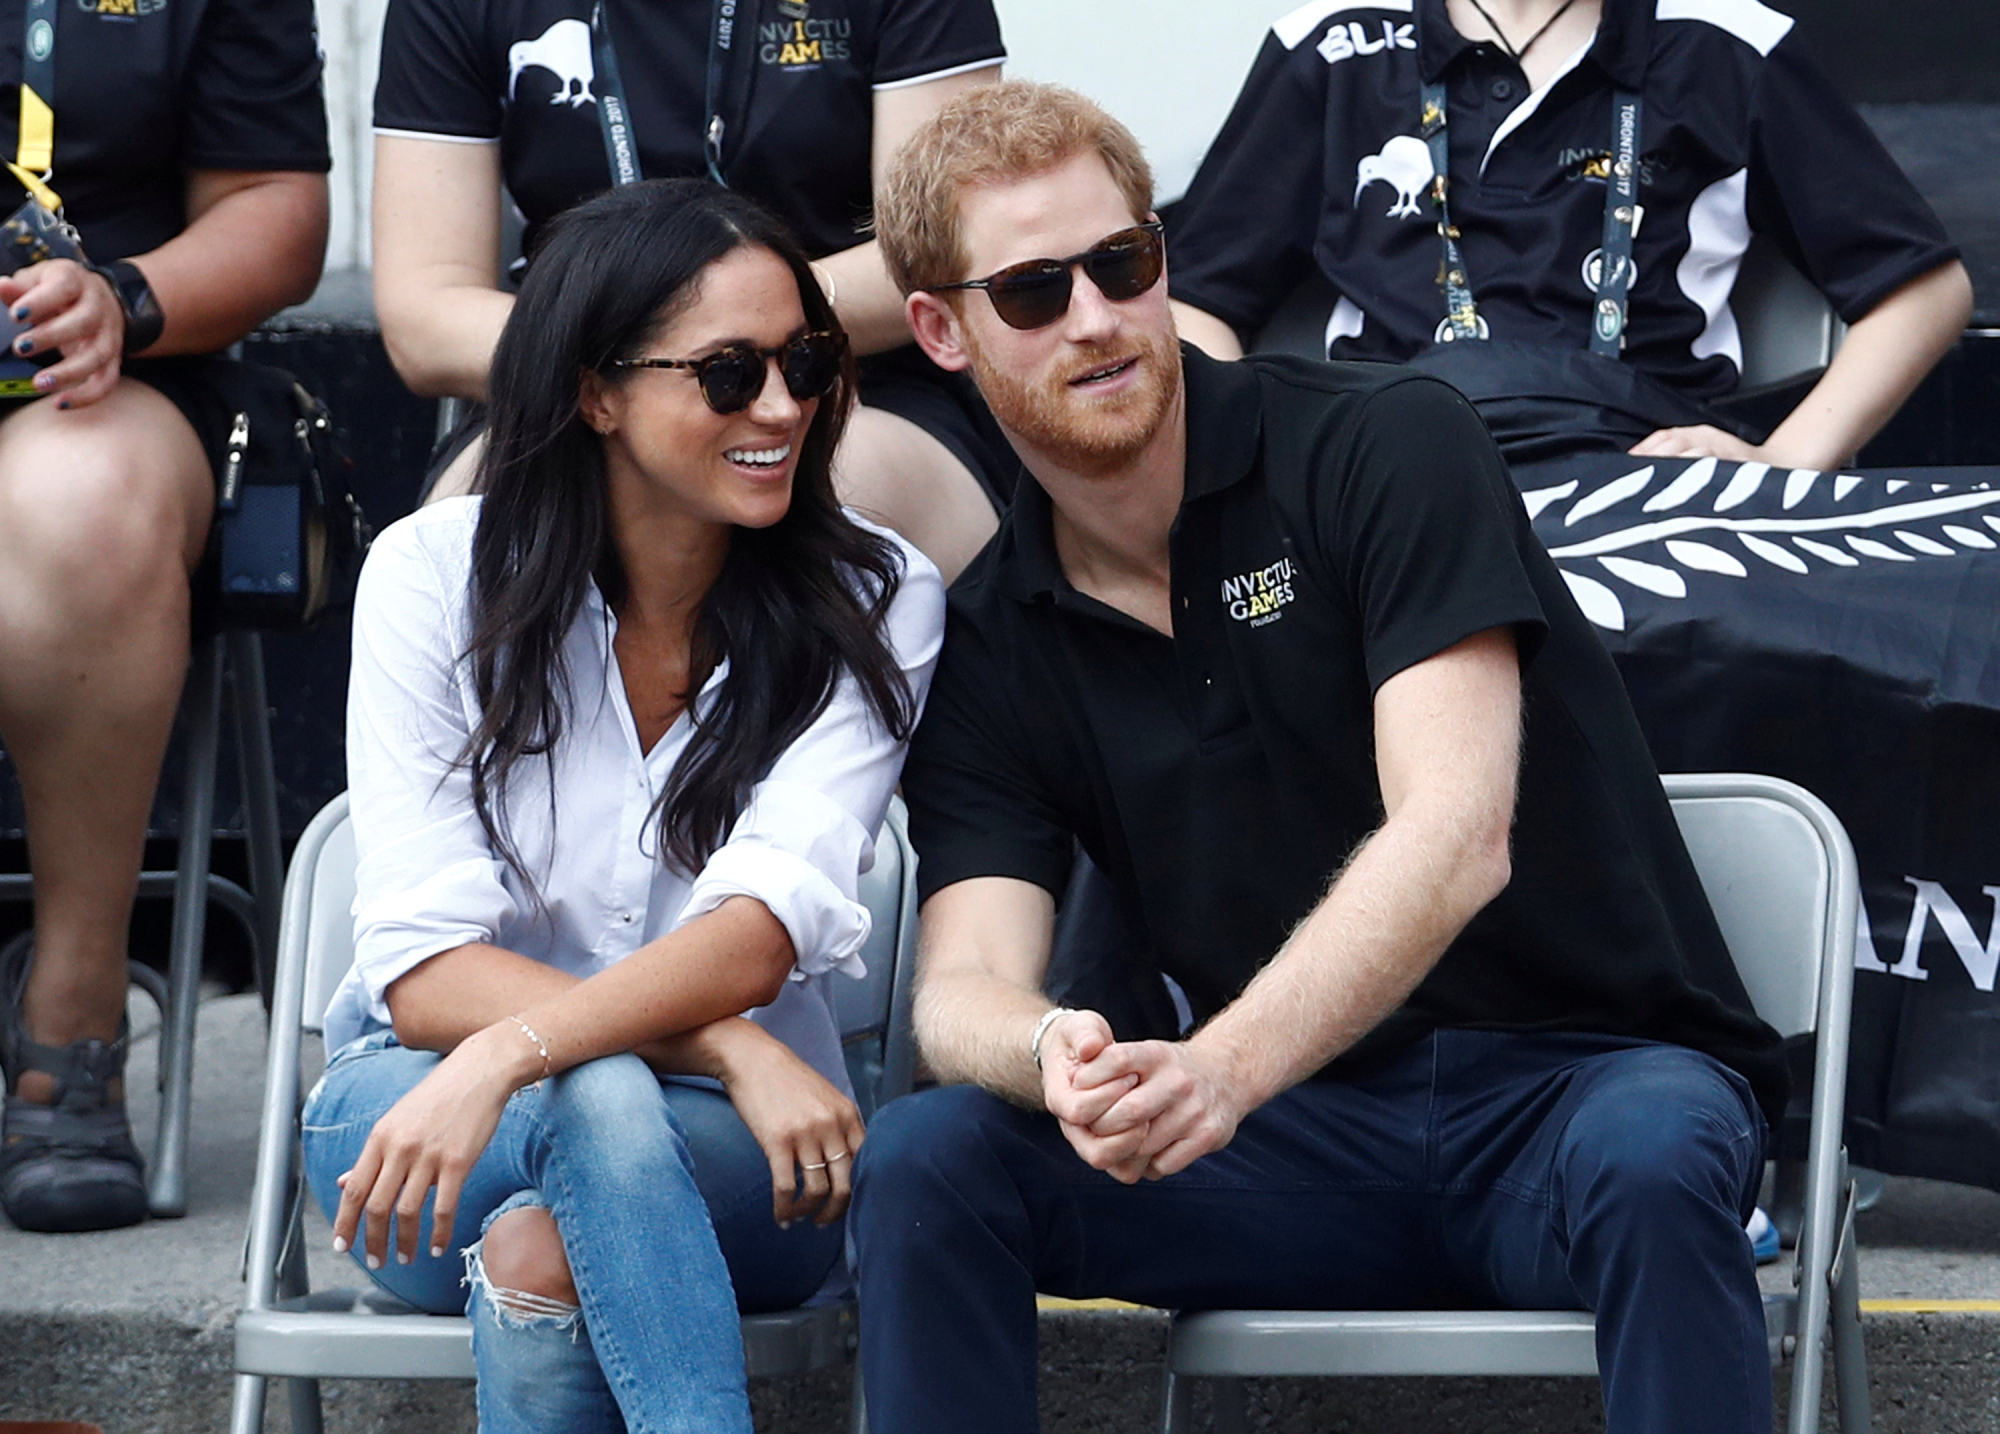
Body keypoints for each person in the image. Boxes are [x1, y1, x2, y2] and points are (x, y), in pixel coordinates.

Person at [850, 80, 1786, 1434]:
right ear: (939, 328)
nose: (1099, 318)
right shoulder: (996, 633)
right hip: (1293, 1142)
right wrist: (1051, 1046)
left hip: (1577, 1091)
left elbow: (1456, 833)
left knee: (1653, 1157)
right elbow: (960, 984)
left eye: (1124, 263)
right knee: (931, 1153)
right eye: (1035, 291)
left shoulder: (1380, 444)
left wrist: (1220, 1068)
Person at [303, 179, 941, 1431]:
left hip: (744, 1159)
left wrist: (530, 1048)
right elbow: (425, 970)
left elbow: (763, 926)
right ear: (595, 391)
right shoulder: (433, 578)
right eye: (726, 372)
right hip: (422, 1123)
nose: (783, 406)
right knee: (592, 1096)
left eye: (805, 360)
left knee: (556, 1215)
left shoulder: (875, 593)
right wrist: (716, 1039)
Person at [0, 0, 329, 1232]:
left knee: (81, 502)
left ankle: (72, 1010)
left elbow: (276, 208)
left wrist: (124, 301)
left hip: (104, 382)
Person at [1165, 0, 1973, 471]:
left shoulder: (1723, 40)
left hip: (1642, 464)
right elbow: (1195, 299)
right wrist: (1268, 470)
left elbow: (1924, 291)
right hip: (1393, 468)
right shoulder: (1338, 42)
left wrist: (1776, 464)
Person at [371, 0, 1009, 579]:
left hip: (843, 384)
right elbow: (423, 315)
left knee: (823, 502)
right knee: (457, 540)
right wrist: (640, 364)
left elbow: (941, 254)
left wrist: (715, 338)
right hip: (575, 393)